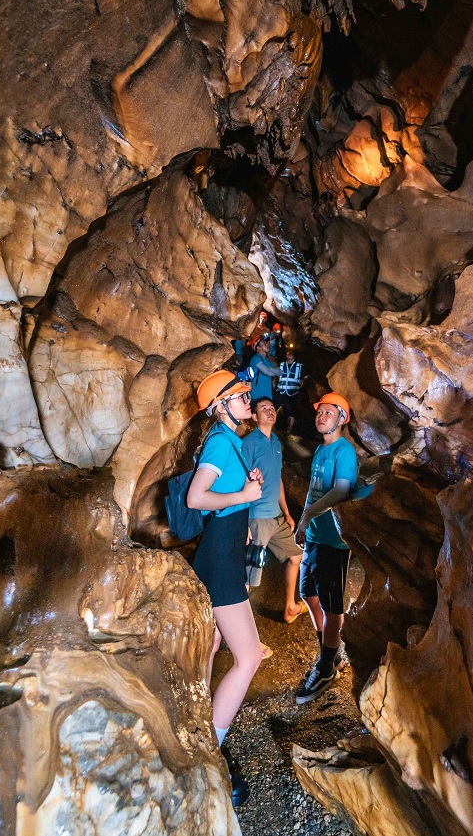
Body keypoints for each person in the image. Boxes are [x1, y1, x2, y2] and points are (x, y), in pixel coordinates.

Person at [187, 369, 264, 807]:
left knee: (213, 645)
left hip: (225, 552)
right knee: (249, 655)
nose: (247, 400)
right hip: (219, 560)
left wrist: (244, 487)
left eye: (246, 394)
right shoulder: (219, 439)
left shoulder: (229, 440)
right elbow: (196, 498)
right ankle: (211, 752)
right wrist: (243, 497)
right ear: (221, 406)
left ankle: (198, 729)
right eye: (239, 396)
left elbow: (230, 492)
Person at [294, 392, 357, 704]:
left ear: (342, 418)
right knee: (308, 594)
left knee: (333, 608)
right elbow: (312, 491)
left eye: (329, 412)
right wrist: (302, 525)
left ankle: (326, 666)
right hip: (315, 536)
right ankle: (330, 651)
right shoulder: (321, 450)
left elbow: (341, 490)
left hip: (334, 540)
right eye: (319, 412)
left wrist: (306, 517)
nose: (321, 416)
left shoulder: (344, 452)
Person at [242, 397, 305, 624]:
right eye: (263, 409)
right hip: (257, 518)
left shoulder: (276, 442)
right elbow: (240, 481)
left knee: (296, 555)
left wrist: (287, 513)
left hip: (276, 517)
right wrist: (243, 521)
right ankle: (236, 633)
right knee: (249, 579)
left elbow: (276, 479)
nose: (269, 411)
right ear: (254, 416)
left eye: (271, 408)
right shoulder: (248, 444)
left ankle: (290, 607)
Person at [277, 345, 307, 434]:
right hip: (281, 391)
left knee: (291, 412)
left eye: (291, 352)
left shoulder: (299, 366)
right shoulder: (282, 365)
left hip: (293, 393)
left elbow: (306, 377)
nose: (289, 353)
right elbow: (276, 376)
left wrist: (302, 385)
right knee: (274, 407)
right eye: (288, 352)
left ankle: (289, 431)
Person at [249, 331, 280, 402]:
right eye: (263, 342)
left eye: (266, 342)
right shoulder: (255, 358)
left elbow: (280, 372)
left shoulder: (268, 361)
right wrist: (270, 370)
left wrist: (268, 370)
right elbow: (269, 373)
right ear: (257, 347)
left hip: (268, 396)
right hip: (257, 396)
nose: (267, 344)